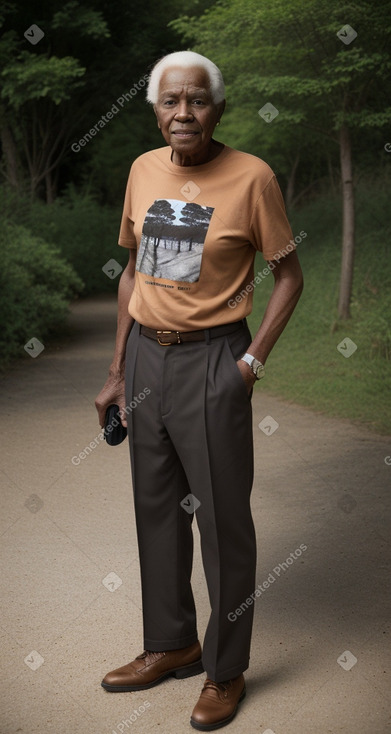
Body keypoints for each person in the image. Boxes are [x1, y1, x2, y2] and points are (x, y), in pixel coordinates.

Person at [95, 50, 303, 731]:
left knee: (221, 524)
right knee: (156, 513)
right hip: (147, 363)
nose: (182, 113)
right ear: (155, 109)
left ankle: (224, 669)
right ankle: (169, 643)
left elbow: (288, 275)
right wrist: (119, 370)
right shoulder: (143, 170)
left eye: (197, 100)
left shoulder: (252, 178)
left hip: (214, 359)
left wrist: (249, 365)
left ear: (218, 108)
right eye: (169, 101)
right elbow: (134, 273)